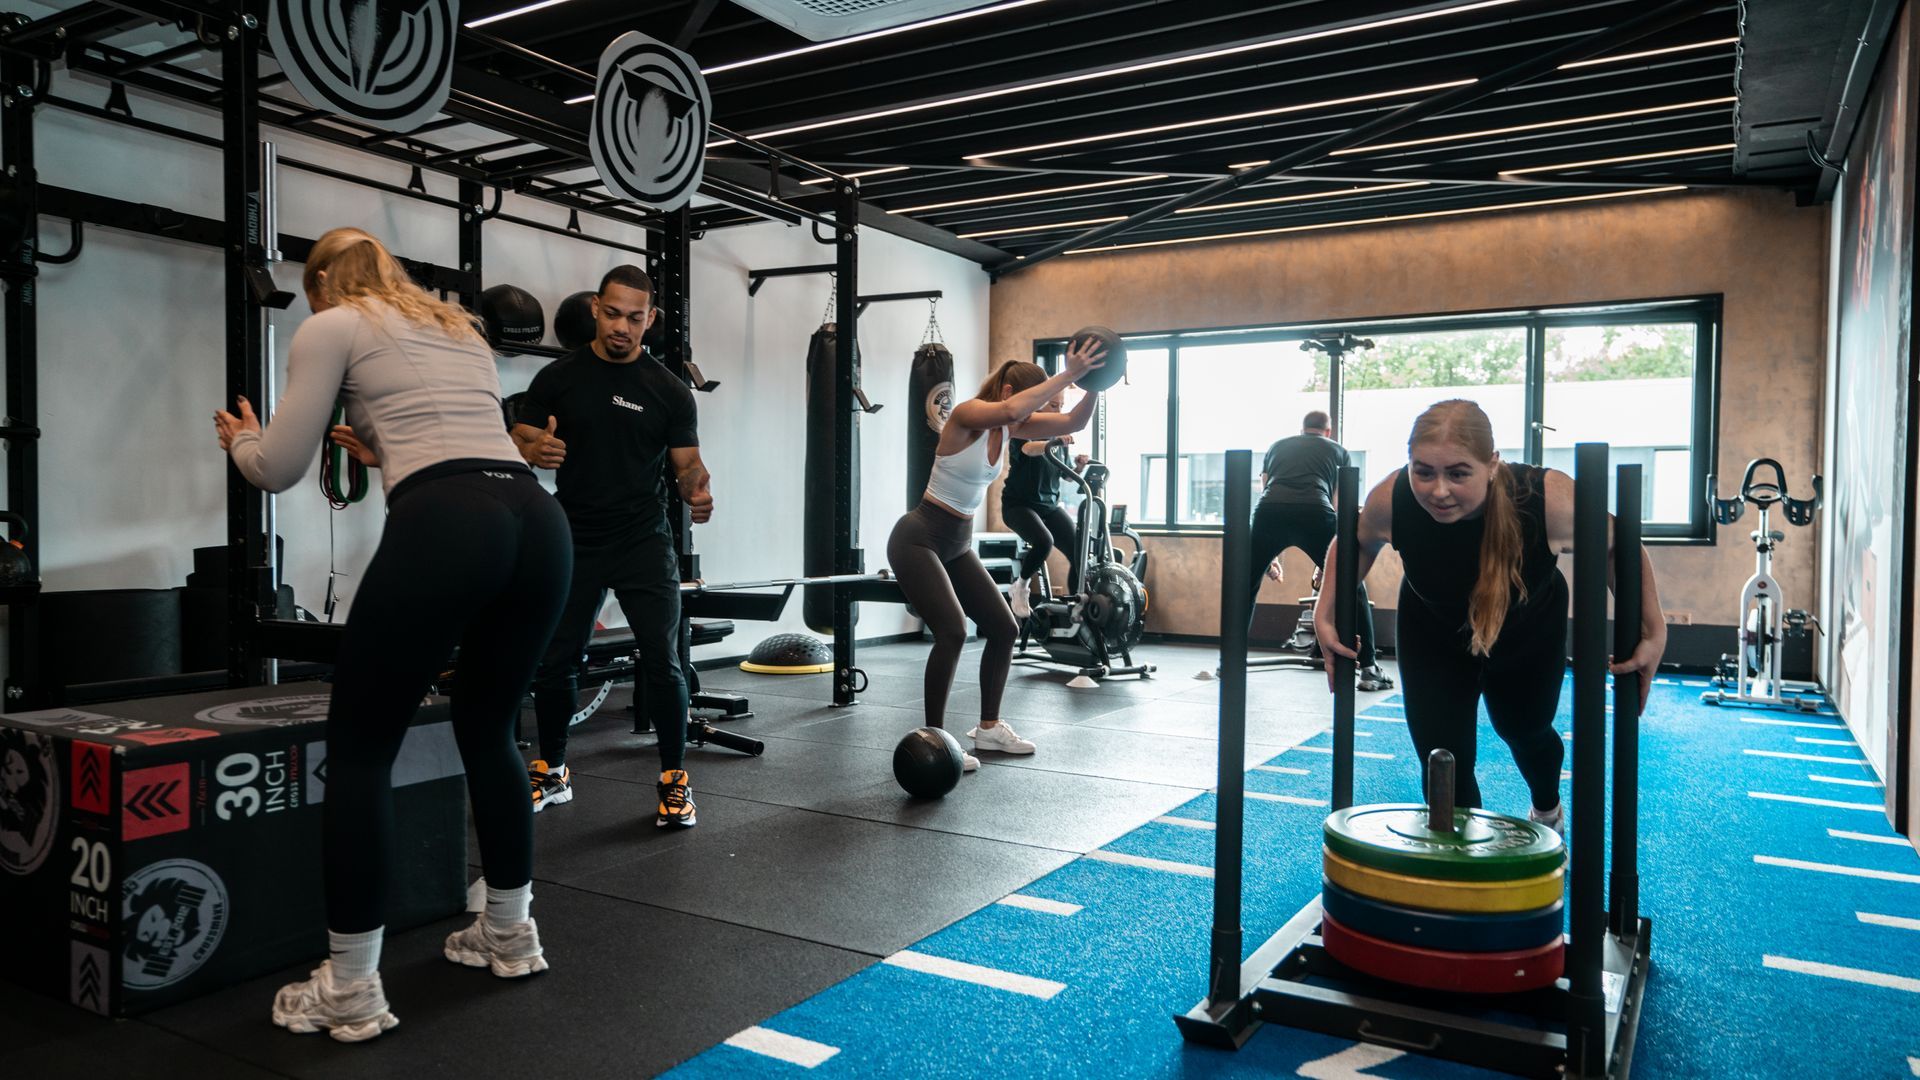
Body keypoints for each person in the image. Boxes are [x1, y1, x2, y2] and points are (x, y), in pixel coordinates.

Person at [217, 227, 572, 1042]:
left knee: (363, 749)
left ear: (318, 285)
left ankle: (348, 986)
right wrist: (377, 447)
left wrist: (239, 437)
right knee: (490, 729)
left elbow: (277, 467)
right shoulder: (461, 329)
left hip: (452, 522)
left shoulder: (332, 324)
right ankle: (510, 931)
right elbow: (448, 439)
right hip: (535, 518)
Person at [1313, 400, 1665, 828]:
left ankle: (1547, 808)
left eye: (1458, 473)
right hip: (1432, 630)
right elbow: (1357, 540)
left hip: (1527, 630)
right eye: (1423, 471)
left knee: (1525, 730)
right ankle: (1462, 862)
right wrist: (1325, 610)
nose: (1438, 490)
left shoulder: (1545, 499)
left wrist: (1653, 628)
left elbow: (1618, 546)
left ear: (1492, 464)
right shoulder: (1393, 497)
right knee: (1442, 755)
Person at [510, 265, 713, 828]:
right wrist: (535, 449)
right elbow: (521, 435)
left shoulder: (668, 391)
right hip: (574, 533)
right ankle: (553, 768)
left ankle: (675, 779)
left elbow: (688, 464)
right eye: (614, 313)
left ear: (650, 319)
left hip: (643, 537)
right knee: (556, 658)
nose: (623, 326)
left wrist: (698, 491)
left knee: (664, 660)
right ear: (596, 308)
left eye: (635, 317)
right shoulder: (559, 377)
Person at [887, 343, 1105, 765]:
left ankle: (988, 729)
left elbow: (1073, 418)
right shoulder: (967, 414)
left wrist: (1094, 383)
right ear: (1008, 390)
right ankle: (936, 740)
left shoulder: (1010, 427)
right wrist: (1065, 374)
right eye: (1031, 400)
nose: (1034, 413)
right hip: (918, 538)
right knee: (951, 631)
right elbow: (1009, 412)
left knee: (1004, 628)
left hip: (957, 543)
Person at [1254, 410, 1392, 691]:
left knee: (1244, 583)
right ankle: (1368, 669)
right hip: (1316, 511)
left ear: (1302, 429)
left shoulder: (1278, 446)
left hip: (1269, 511)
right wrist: (1328, 562)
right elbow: (1340, 504)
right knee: (1352, 584)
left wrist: (1271, 559)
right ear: (1328, 431)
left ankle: (1228, 661)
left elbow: (1267, 487)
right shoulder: (1338, 451)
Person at [1003, 392, 1090, 619]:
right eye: (1053, 405)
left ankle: (1078, 607)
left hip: (1048, 506)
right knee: (1044, 541)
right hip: (1018, 506)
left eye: (1061, 406)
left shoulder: (1058, 434)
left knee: (1079, 552)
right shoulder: (1023, 429)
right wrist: (1055, 441)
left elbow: (1066, 475)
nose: (1058, 412)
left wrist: (1079, 467)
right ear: (1039, 406)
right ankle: (1020, 586)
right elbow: (1030, 450)